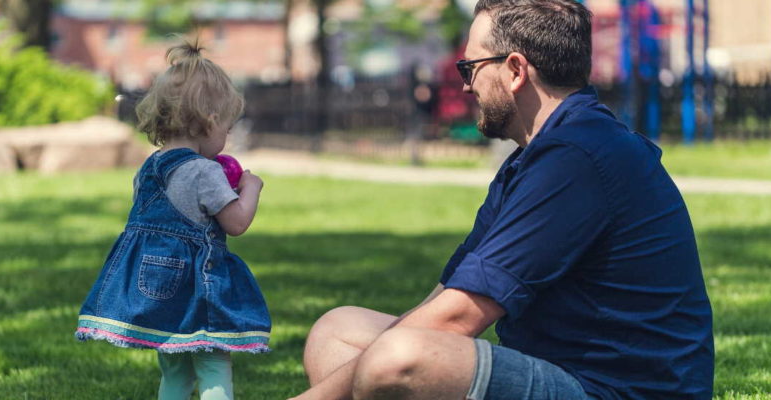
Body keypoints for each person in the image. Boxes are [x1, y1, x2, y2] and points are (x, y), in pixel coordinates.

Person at [291, 1, 714, 399]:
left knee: (400, 358)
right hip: (560, 369)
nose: (464, 83)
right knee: (339, 329)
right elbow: (446, 299)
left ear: (515, 70)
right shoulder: (538, 157)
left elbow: (459, 319)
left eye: (470, 66)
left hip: (614, 389)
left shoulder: (578, 156)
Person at [75, 40, 270, 400]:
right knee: (213, 363)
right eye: (227, 128)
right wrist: (251, 187)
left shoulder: (148, 168)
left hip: (157, 288)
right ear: (210, 121)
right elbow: (237, 223)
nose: (226, 138)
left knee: (176, 367)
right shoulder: (204, 173)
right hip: (198, 288)